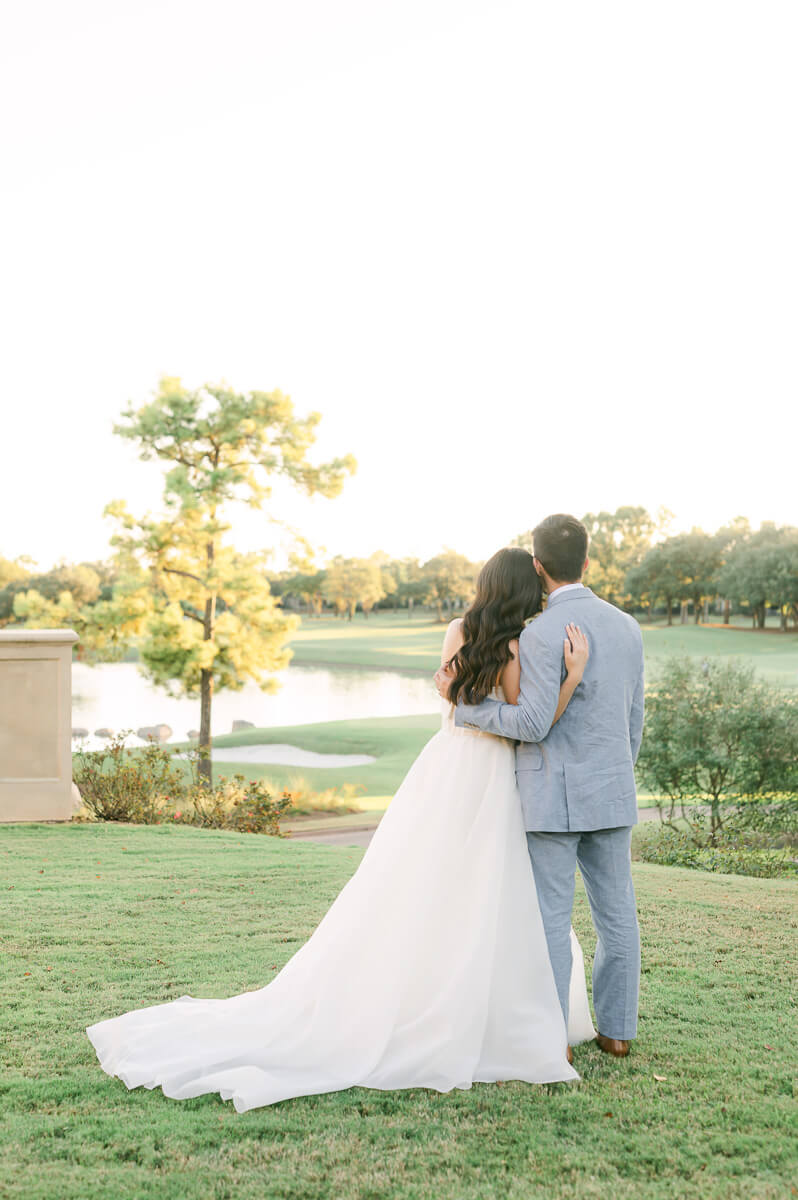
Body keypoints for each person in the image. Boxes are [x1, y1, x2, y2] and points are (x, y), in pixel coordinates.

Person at [86, 546, 594, 1113]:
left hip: (445, 769)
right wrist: (570, 679)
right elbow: (527, 727)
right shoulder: (513, 647)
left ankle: (427, 990)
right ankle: (485, 1009)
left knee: (419, 886)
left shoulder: (458, 630)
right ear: (527, 593)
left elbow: (453, 698)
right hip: (491, 777)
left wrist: (457, 700)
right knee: (486, 891)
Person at [436, 514, 644, 1057]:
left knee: (551, 921)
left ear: (537, 565)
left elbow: (529, 723)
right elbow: (633, 720)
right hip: (612, 793)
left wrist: (469, 713)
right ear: (588, 563)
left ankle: (555, 1038)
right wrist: (616, 776)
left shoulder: (538, 633)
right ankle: (617, 1033)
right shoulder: (627, 626)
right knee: (618, 918)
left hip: (550, 796)